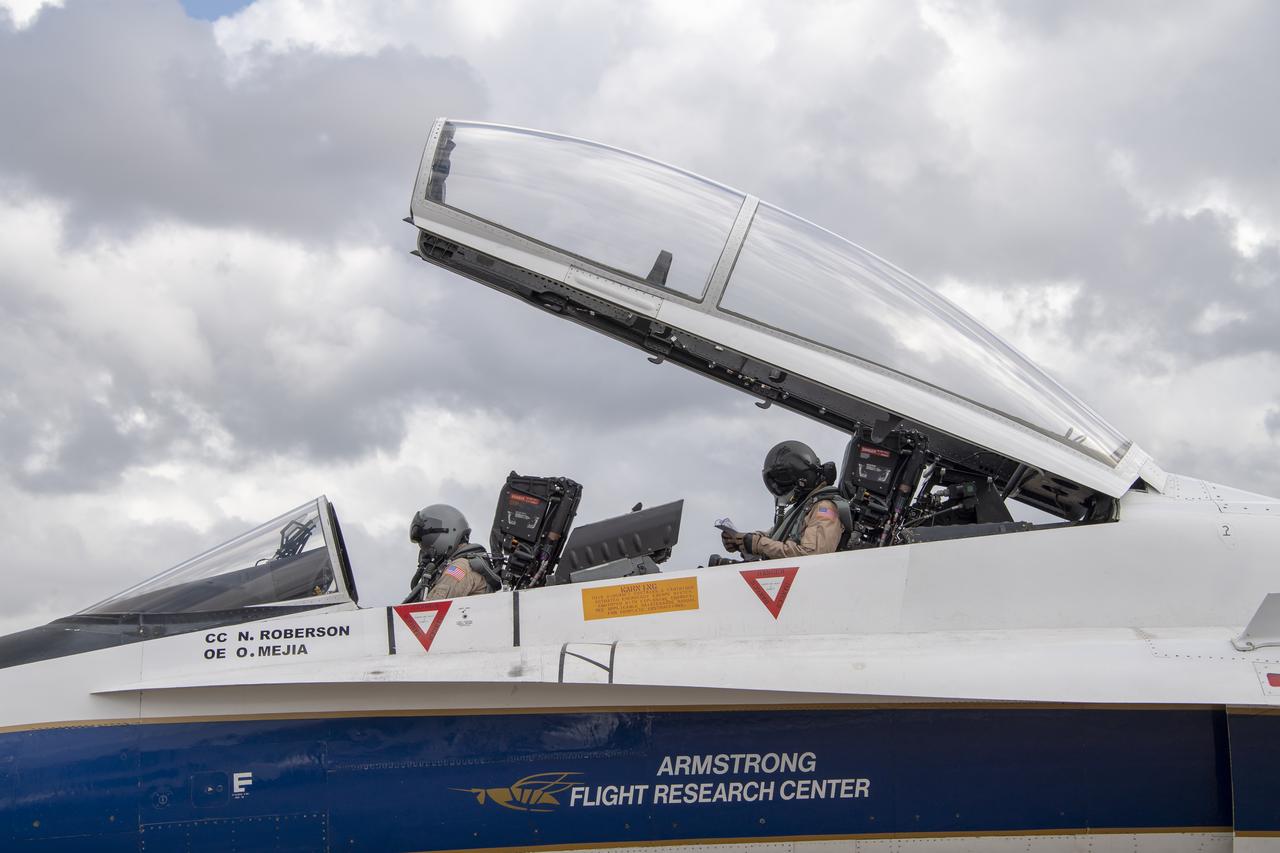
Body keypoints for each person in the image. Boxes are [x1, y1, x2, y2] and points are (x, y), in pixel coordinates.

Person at [721, 440, 847, 560]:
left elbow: (813, 555)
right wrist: (742, 541)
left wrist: (759, 544)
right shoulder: (803, 508)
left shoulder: (825, 508)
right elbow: (773, 536)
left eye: (783, 479)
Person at [408, 504, 499, 601]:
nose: (423, 550)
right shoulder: (460, 564)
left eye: (426, 541)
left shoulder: (459, 568)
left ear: (448, 531)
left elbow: (432, 607)